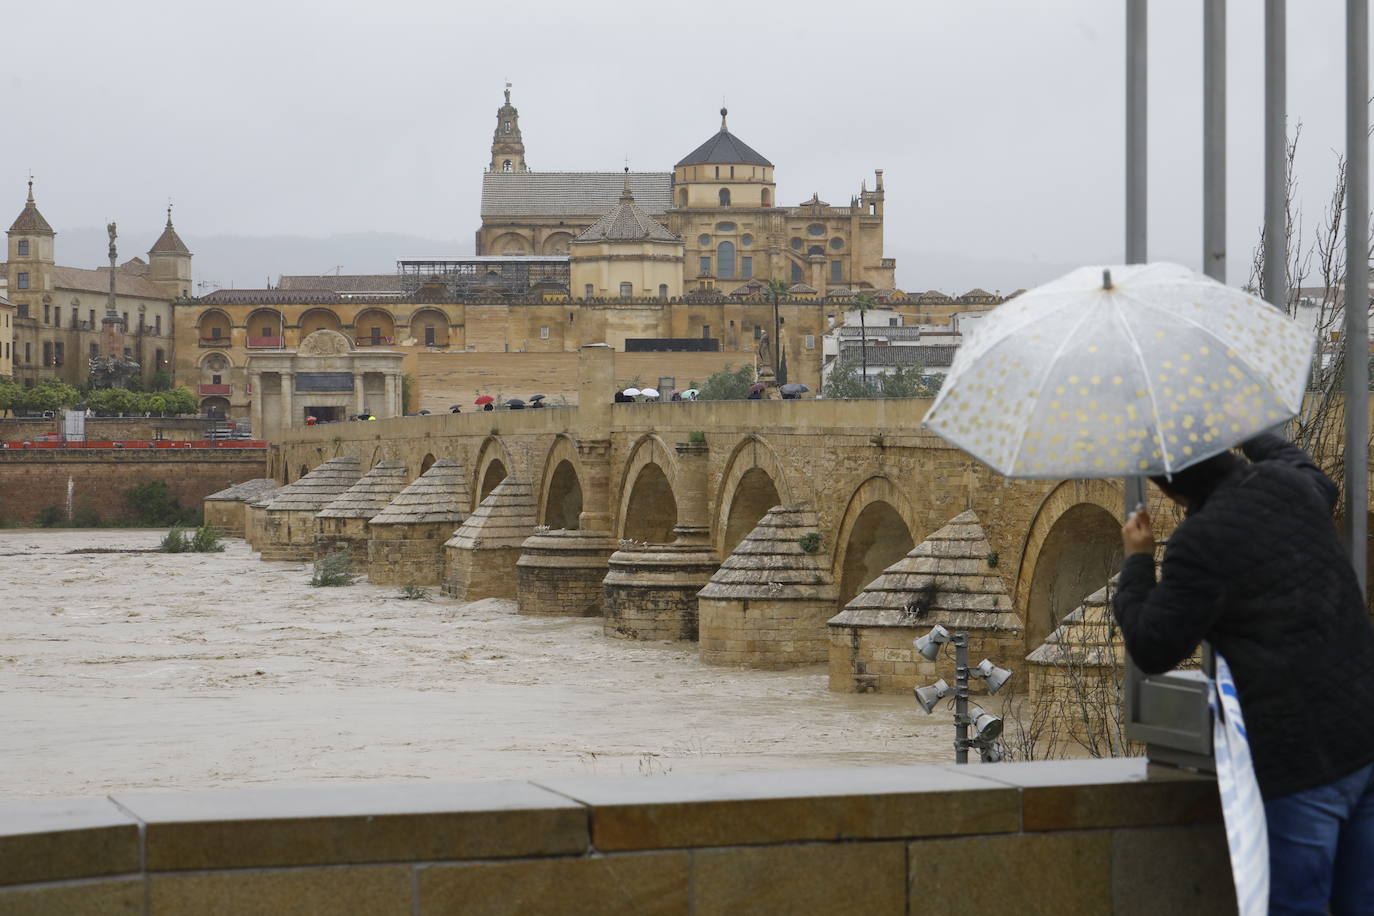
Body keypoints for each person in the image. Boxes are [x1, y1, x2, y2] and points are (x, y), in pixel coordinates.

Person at [1114, 433, 1374, 912]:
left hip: (1302, 760)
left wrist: (1137, 562)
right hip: (1364, 734)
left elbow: (1153, 646)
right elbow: (1305, 467)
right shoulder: (1292, 485)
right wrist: (1243, 426)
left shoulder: (1201, 543)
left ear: (1170, 491)